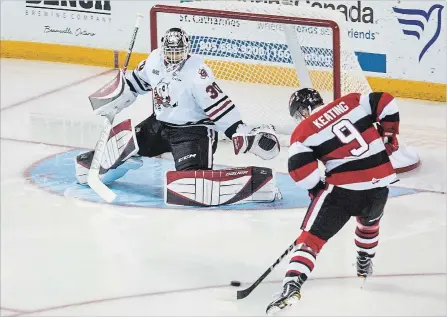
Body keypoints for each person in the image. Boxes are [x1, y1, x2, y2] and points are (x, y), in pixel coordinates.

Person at [76, 28, 280, 205]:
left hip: (193, 133)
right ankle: (118, 163)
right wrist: (119, 96)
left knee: (187, 183)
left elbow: (220, 107)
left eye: (178, 52)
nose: (173, 57)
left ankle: (257, 182)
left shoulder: (198, 74)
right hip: (160, 125)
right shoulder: (154, 60)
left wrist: (239, 131)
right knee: (124, 142)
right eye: (170, 52)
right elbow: (136, 83)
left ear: (187, 50)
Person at [266, 88, 400, 315]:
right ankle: (365, 261)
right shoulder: (352, 102)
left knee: (311, 240)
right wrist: (389, 136)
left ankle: (292, 286)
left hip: (343, 191)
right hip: (381, 184)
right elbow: (385, 101)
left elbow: (299, 170)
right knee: (369, 224)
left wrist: (316, 188)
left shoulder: (303, 131)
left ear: (302, 110)